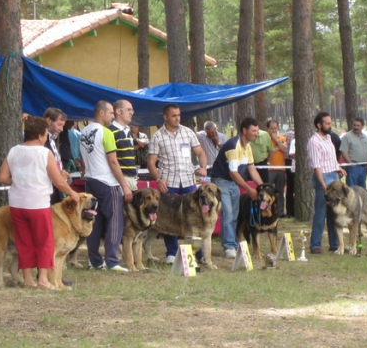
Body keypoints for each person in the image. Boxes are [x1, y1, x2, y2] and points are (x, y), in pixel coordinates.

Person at [0, 116, 80, 289]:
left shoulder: (14, 151)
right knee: (45, 241)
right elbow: (58, 182)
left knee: (24, 241)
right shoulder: (44, 153)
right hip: (38, 204)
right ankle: (43, 279)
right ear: (42, 135)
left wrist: (19, 181)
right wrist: (72, 192)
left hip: (17, 204)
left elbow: (2, 177)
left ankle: (28, 279)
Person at [147, 103, 208, 264]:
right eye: (173, 115)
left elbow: (200, 152)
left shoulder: (188, 132)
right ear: (165, 117)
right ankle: (172, 252)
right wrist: (159, 179)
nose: (177, 118)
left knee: (196, 215)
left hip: (188, 180)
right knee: (169, 217)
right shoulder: (157, 136)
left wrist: (203, 167)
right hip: (168, 182)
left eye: (179, 115)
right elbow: (151, 163)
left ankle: (198, 253)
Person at [80, 101, 132, 271]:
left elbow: (83, 159)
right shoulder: (106, 132)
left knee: (93, 221)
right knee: (115, 221)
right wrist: (124, 185)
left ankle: (94, 260)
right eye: (110, 113)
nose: (112, 116)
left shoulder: (84, 132)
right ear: (101, 113)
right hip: (107, 181)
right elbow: (113, 162)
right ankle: (112, 260)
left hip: (90, 179)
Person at [210, 117, 263, 259]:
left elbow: (252, 169)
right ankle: (229, 247)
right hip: (221, 181)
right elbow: (233, 173)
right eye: (253, 130)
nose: (256, 133)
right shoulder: (234, 145)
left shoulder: (248, 147)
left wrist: (262, 187)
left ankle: (232, 244)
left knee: (234, 214)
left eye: (257, 131)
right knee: (228, 213)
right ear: (244, 131)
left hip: (233, 182)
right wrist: (249, 189)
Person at [307, 112, 346, 254]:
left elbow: (331, 159)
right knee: (321, 212)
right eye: (327, 123)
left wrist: (338, 168)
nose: (330, 126)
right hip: (323, 178)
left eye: (330, 123)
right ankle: (315, 244)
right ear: (319, 125)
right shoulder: (314, 141)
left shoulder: (329, 137)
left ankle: (335, 244)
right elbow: (317, 166)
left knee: (334, 213)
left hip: (334, 176)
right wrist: (324, 187)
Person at [43, 107, 72, 204]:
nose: (61, 129)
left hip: (54, 188)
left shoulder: (52, 139)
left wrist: (61, 172)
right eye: (59, 125)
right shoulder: (41, 141)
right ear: (48, 120)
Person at [109, 100, 138, 192]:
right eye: (128, 110)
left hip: (132, 178)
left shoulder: (128, 132)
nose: (131, 113)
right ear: (118, 111)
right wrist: (123, 184)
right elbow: (112, 160)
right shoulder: (110, 131)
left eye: (132, 110)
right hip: (119, 179)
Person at [340, 118, 367, 189]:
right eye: (354, 125)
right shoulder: (347, 137)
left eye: (358, 125)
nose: (356, 127)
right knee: (352, 189)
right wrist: (351, 164)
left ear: (362, 126)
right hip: (353, 167)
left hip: (363, 168)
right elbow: (343, 151)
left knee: (362, 189)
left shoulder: (365, 137)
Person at [266, 119, 288, 217]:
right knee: (268, 191)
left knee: (280, 191)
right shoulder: (265, 139)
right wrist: (276, 148)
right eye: (272, 128)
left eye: (275, 128)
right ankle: (268, 210)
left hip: (280, 169)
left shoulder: (282, 138)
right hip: (269, 169)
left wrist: (277, 141)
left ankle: (280, 211)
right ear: (267, 129)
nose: (274, 130)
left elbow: (285, 149)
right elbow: (266, 154)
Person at [284, 128, 295, 217]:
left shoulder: (286, 134)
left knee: (290, 189)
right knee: (291, 188)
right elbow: (291, 153)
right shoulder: (291, 136)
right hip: (291, 162)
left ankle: (290, 211)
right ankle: (290, 211)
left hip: (288, 162)